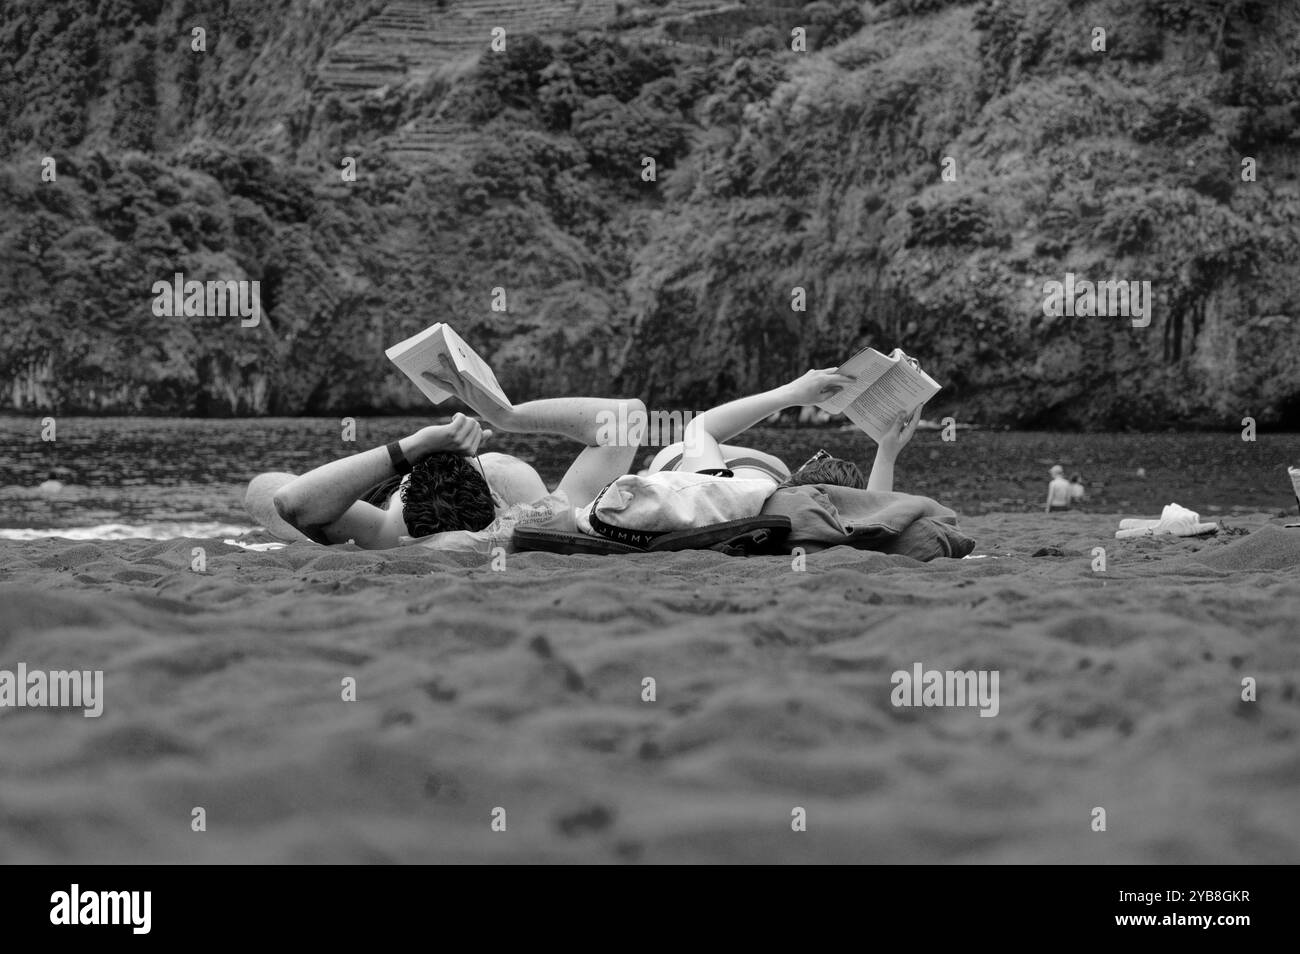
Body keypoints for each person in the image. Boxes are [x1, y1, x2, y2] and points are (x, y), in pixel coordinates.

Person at [245, 383, 645, 548]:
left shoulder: (386, 531)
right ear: (495, 501)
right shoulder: (533, 514)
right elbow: (628, 420)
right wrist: (506, 416)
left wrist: (413, 447)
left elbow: (273, 493)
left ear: (400, 490)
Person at [647, 368, 922, 494]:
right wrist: (887, 452)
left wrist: (791, 393)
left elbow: (699, 429)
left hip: (678, 463)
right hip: (765, 474)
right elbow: (872, 510)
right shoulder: (833, 525)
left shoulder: (727, 493)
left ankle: (641, 473)